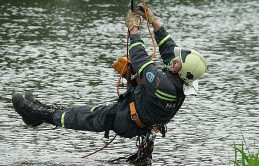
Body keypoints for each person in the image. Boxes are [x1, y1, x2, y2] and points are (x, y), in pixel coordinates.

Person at [12, 6, 207, 145]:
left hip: (125, 120)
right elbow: (168, 48)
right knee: (81, 113)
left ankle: (36, 113)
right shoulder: (180, 80)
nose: (172, 61)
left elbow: (139, 58)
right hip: (135, 116)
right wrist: (153, 20)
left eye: (176, 62)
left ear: (181, 71)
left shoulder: (162, 84)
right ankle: (38, 114)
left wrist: (134, 29)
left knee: (80, 116)